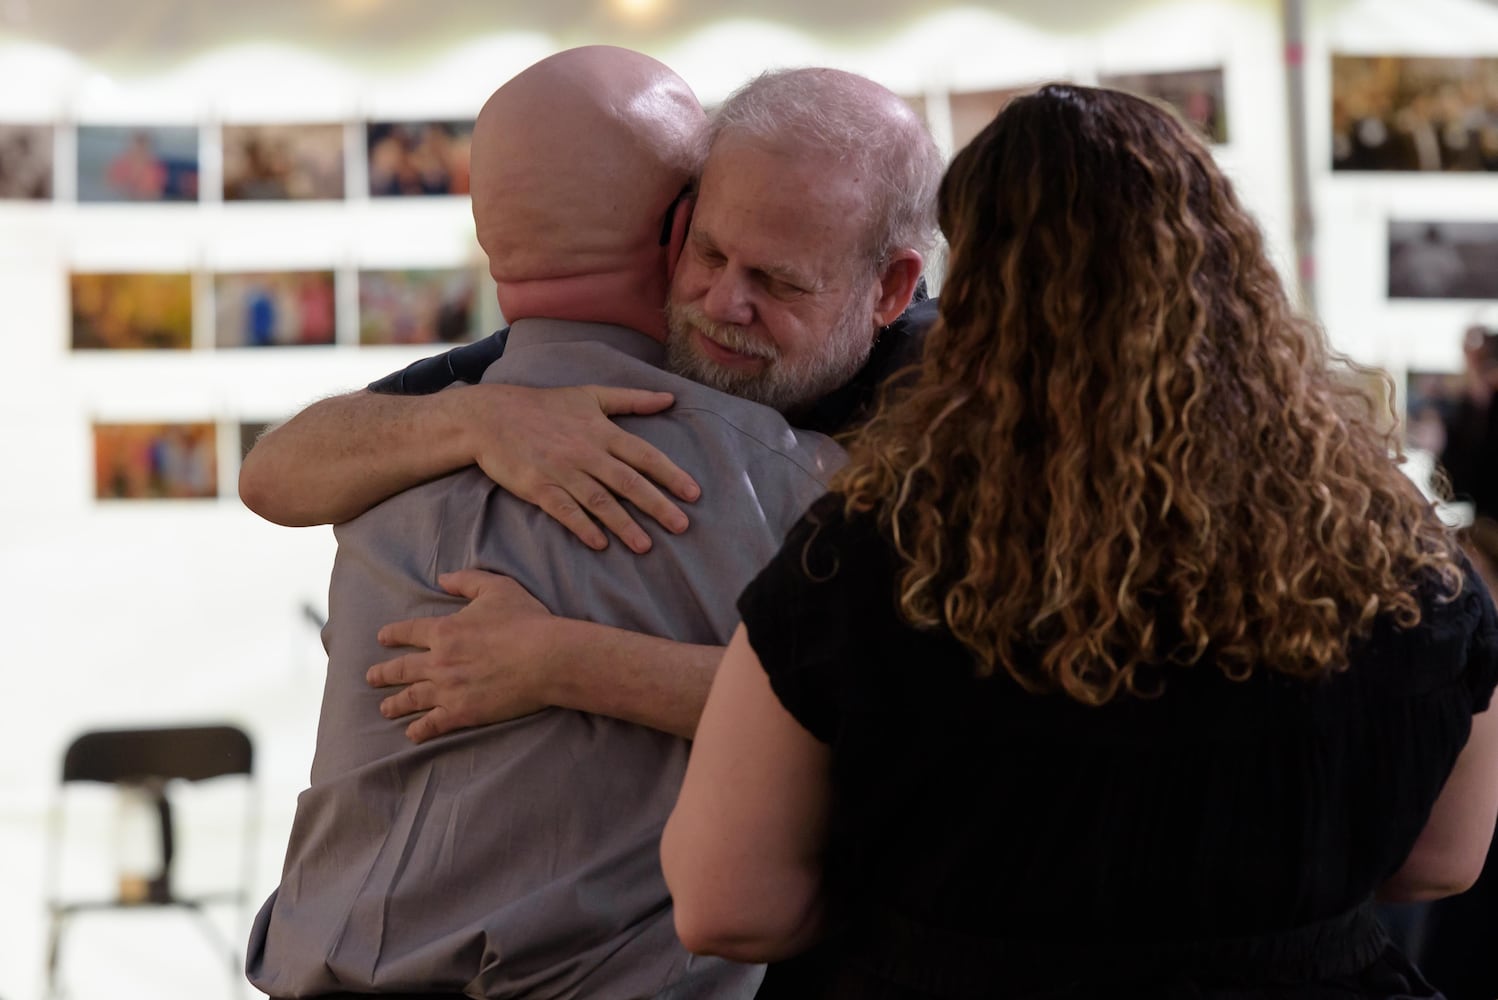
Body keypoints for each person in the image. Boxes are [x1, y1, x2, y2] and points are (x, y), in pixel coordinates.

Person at [662, 83, 1498, 999]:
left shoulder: (870, 554)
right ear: (1235, 273)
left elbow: (724, 904)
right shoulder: (1395, 555)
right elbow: (1445, 859)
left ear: (974, 302)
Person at [246, 51, 939, 1000]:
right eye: (710, 254)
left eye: (780, 283)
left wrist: (558, 661)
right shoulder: (570, 368)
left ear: (891, 291)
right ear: (676, 227)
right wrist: (473, 418)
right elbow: (274, 472)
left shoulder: (940, 422)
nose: (725, 304)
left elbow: (914, 712)